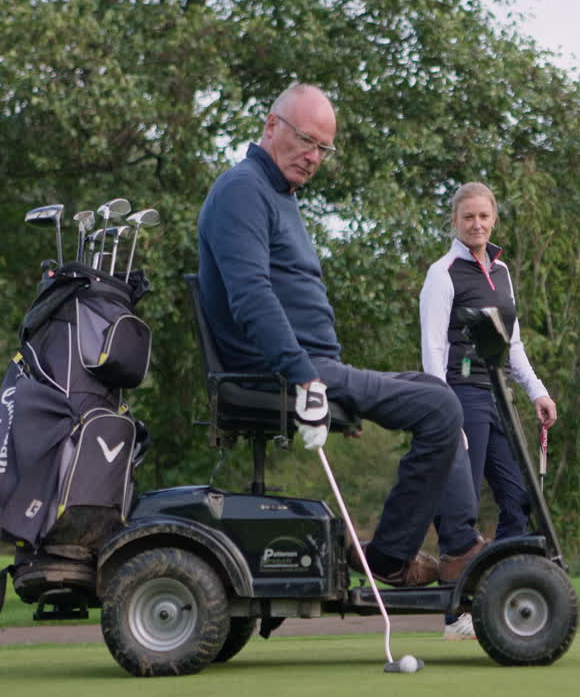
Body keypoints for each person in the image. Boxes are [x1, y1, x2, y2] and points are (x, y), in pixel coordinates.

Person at [197, 83, 486, 588]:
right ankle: (394, 558)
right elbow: (251, 299)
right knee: (439, 409)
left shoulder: (278, 195)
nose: (313, 157)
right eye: (306, 141)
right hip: (282, 373)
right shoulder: (242, 190)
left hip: (315, 369)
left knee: (437, 392)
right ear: (271, 125)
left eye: (323, 149)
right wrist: (306, 380)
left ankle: (458, 547)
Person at [419, 182, 558, 639]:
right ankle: (455, 615)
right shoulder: (442, 273)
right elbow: (434, 348)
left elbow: (512, 345)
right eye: (467, 218)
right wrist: (443, 413)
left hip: (498, 395)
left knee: (517, 495)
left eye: (483, 216)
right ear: (455, 222)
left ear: (493, 218)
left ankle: (505, 590)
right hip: (459, 395)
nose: (476, 224)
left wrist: (537, 391)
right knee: (459, 502)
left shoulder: (502, 272)